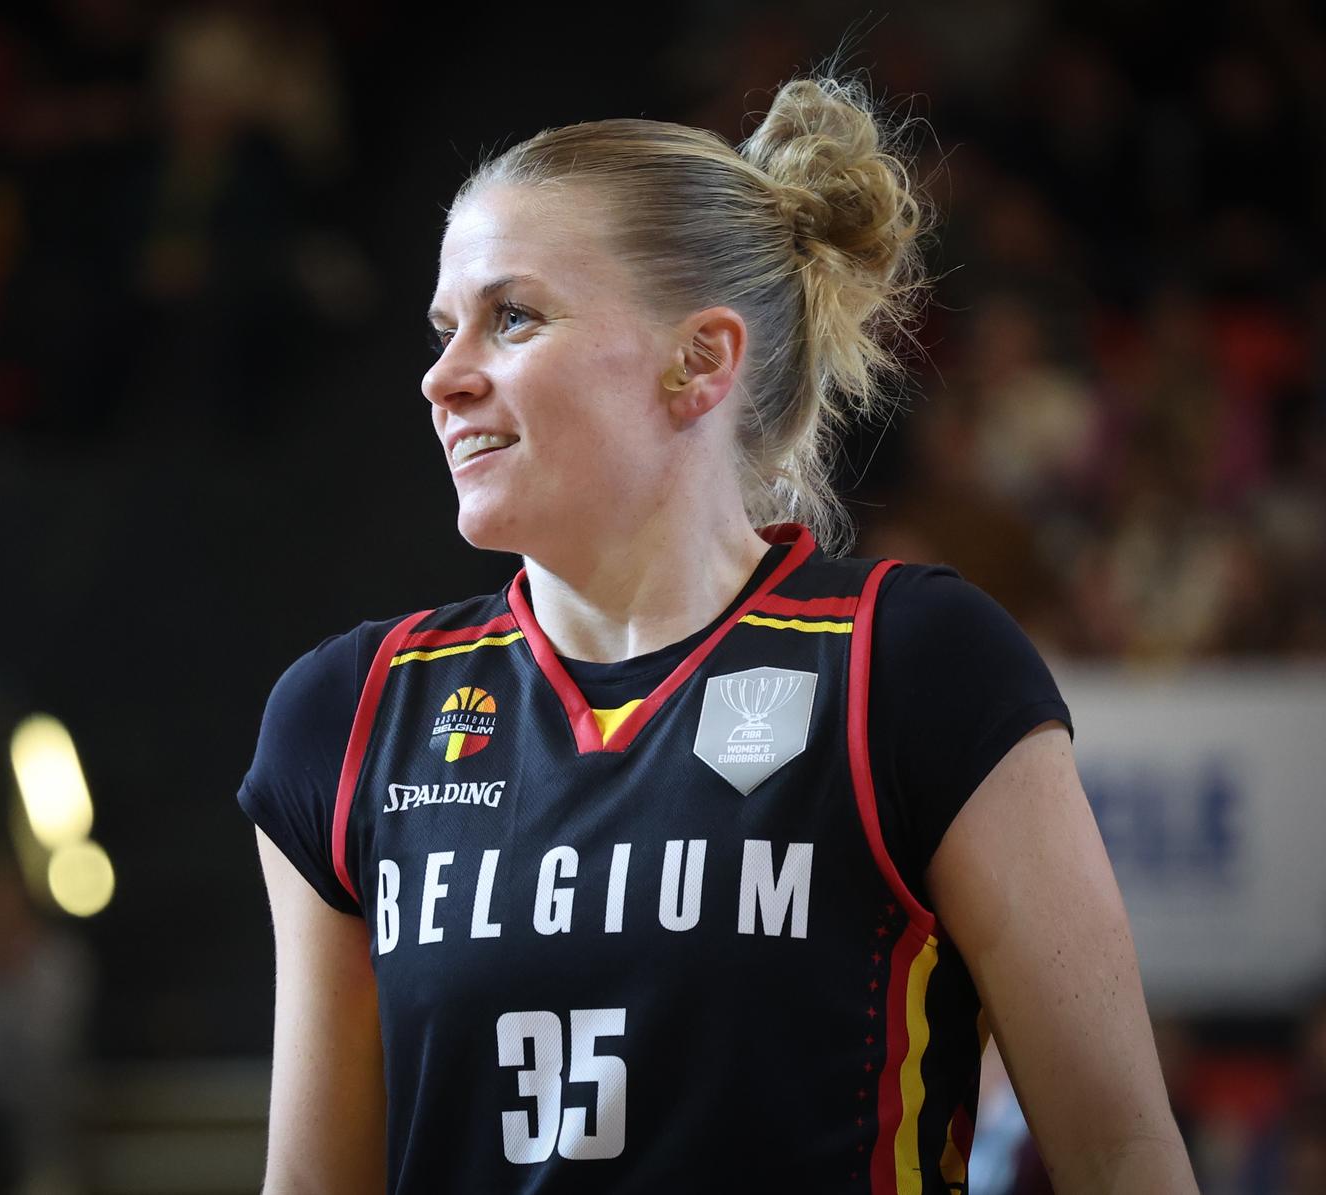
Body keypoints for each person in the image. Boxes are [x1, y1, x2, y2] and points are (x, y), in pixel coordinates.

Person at [237, 75, 1196, 1194]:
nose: (442, 378)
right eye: (446, 328)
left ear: (700, 362)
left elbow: (1120, 1154)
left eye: (514, 317)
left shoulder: (914, 663)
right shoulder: (348, 712)